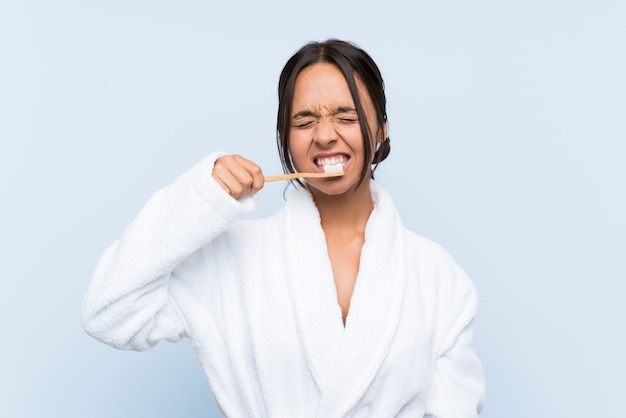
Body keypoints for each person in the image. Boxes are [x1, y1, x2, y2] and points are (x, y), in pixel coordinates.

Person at [81, 39, 485, 417]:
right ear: (286, 138)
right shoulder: (229, 259)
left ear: (381, 130)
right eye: (304, 121)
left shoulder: (439, 278)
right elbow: (108, 313)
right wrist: (199, 198)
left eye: (346, 117)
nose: (325, 135)